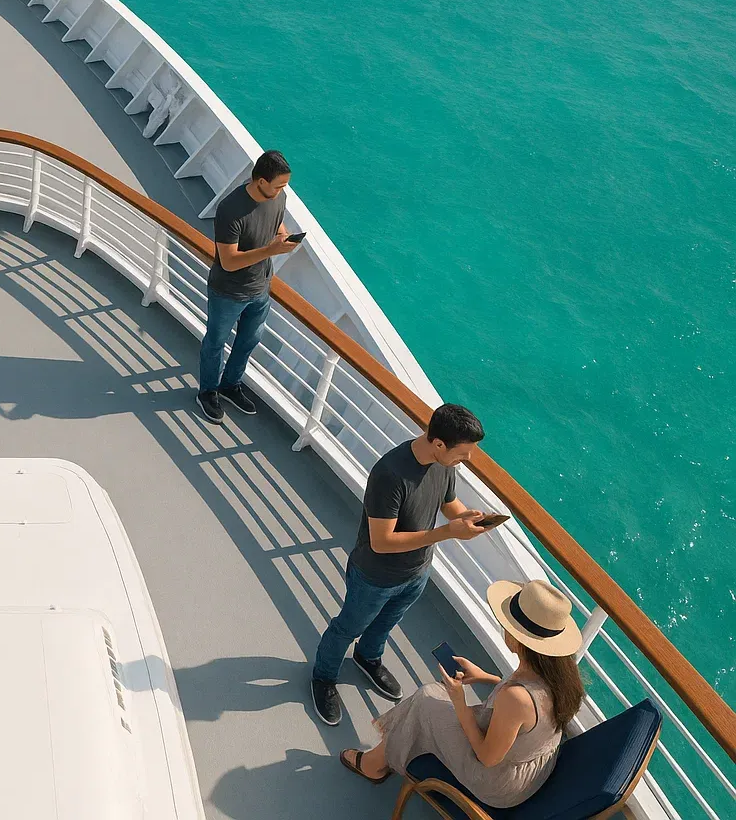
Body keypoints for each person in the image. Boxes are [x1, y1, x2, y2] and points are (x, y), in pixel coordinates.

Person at [310, 403, 489, 725]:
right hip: (374, 576)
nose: (468, 460)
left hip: (417, 571)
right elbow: (382, 541)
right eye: (464, 453)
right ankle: (323, 678)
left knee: (385, 624)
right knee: (347, 628)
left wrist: (465, 518)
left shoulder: (445, 464)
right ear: (438, 444)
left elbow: (448, 504)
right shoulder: (389, 474)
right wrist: (447, 533)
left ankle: (368, 657)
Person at [339, 579, 585, 811]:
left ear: (519, 640)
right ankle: (388, 752)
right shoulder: (559, 673)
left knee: (426, 700)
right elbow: (528, 714)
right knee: (431, 699)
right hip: (534, 766)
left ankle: (374, 764)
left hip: (499, 782)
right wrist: (485, 677)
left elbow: (487, 757)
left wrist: (459, 702)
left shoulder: (517, 698)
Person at [195, 150, 300, 422]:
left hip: (260, 288)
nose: (282, 191)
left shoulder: (279, 197)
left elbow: (277, 222)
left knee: (248, 342)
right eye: (278, 185)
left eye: (284, 186)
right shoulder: (231, 210)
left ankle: (230, 385)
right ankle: (208, 392)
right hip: (228, 292)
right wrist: (270, 251)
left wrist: (282, 237)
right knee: (215, 343)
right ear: (261, 181)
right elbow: (228, 262)